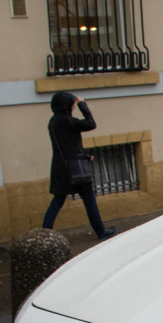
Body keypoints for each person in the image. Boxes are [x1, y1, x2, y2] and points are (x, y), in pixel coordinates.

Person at [42, 91, 116, 240]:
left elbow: (67, 145)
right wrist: (83, 104)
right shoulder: (67, 121)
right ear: (65, 106)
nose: (73, 108)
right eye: (71, 105)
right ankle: (101, 231)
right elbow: (91, 123)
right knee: (89, 198)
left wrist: (85, 156)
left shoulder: (53, 121)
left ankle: (44, 235)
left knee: (57, 201)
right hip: (74, 169)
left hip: (60, 168)